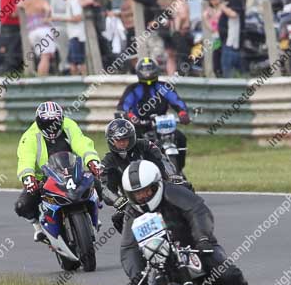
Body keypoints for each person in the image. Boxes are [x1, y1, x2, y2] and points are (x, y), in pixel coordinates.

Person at [119, 160, 271, 285]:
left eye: (146, 191)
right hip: (164, 265)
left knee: (228, 273)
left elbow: (198, 212)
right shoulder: (132, 212)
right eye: (136, 194)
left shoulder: (174, 192)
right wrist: (135, 274)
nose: (142, 197)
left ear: (157, 184)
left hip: (197, 247)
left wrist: (202, 238)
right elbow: (128, 246)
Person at [14, 101, 101, 241]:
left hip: (73, 171)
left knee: (97, 181)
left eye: (54, 122)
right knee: (22, 205)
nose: (51, 127)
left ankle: (93, 213)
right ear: (38, 122)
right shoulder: (29, 136)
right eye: (46, 124)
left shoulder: (69, 125)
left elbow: (81, 143)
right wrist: (28, 177)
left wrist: (91, 160)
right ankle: (38, 227)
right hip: (44, 179)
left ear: (61, 120)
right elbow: (25, 158)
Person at [100, 118, 182, 233]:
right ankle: (135, 245)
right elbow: (104, 186)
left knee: (184, 188)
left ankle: (189, 230)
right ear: (111, 141)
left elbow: (162, 159)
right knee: (118, 218)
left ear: (132, 138)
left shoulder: (144, 145)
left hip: (156, 191)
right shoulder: (108, 161)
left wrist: (172, 175)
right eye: (118, 140)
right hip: (133, 202)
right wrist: (116, 199)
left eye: (125, 139)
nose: (122, 143)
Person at [118, 58, 191, 158]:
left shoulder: (165, 87)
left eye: (150, 69)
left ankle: (179, 170)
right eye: (145, 69)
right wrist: (131, 116)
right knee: (133, 144)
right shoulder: (132, 89)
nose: (147, 72)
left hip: (162, 124)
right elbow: (124, 106)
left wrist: (183, 113)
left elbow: (177, 101)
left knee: (180, 138)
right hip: (140, 125)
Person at [21, 0, 56, 76]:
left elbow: (18, 7)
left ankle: (40, 75)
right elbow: (47, 10)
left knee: (41, 55)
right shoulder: (42, 1)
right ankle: (42, 78)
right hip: (43, 30)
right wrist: (47, 16)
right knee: (46, 56)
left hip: (32, 31)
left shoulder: (27, 2)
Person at [52, 0, 86, 75]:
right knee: (72, 62)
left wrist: (58, 18)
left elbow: (78, 17)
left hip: (78, 36)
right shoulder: (69, 2)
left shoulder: (73, 1)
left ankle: (85, 83)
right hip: (73, 35)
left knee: (80, 62)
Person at [217, 0, 245, 77]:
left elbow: (234, 14)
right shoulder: (225, 1)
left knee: (227, 67)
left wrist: (223, 8)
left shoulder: (234, 0)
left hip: (231, 40)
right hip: (224, 39)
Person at [201, 0, 223, 77]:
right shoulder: (208, 11)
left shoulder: (223, 7)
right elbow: (208, 23)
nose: (214, 0)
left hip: (224, 35)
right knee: (216, 55)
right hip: (215, 37)